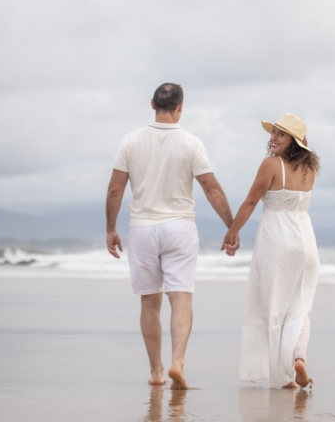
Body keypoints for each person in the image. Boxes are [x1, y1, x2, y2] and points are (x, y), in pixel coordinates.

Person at [106, 83, 238, 390]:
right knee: (181, 300)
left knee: (150, 305)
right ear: (180, 107)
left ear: (152, 103)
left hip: (142, 229)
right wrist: (231, 227)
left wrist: (111, 229)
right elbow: (211, 188)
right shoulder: (191, 143)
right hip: (179, 228)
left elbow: (115, 188)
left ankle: (157, 372)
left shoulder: (131, 140)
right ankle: (178, 362)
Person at [222, 113, 320, 389]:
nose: (273, 138)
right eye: (274, 132)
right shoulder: (309, 169)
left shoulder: (271, 164)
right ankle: (297, 358)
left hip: (277, 241)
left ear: (295, 141)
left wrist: (232, 233)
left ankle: (284, 375)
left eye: (281, 134)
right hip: (306, 244)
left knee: (272, 307)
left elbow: (252, 201)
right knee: (299, 308)